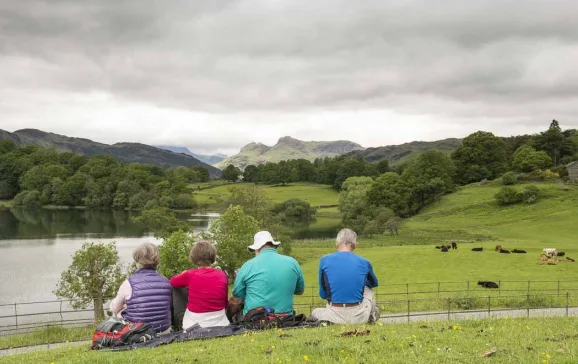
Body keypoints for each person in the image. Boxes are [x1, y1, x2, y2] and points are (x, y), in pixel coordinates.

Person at [310, 228, 380, 325]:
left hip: (332, 315)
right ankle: (371, 317)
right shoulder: (364, 262)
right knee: (368, 289)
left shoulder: (324, 260)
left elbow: (323, 294)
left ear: (336, 243)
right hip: (359, 317)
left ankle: (328, 322)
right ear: (355, 245)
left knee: (315, 312)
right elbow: (374, 283)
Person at [231, 231, 305, 318]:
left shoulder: (247, 265)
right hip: (285, 318)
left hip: (254, 319)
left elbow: (237, 294)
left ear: (257, 249)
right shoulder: (293, 262)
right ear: (274, 246)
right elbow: (300, 291)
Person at [110, 243, 172, 334]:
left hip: (138, 332)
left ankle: (118, 333)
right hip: (164, 330)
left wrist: (124, 306)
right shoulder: (166, 281)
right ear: (157, 261)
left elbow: (114, 308)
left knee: (117, 310)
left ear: (137, 261)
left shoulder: (129, 283)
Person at [169, 240, 230, 329]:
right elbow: (225, 303)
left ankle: (173, 324)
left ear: (194, 257)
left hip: (194, 324)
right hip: (220, 321)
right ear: (212, 256)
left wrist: (182, 274)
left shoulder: (189, 274)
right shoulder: (222, 275)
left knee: (176, 288)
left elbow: (172, 282)